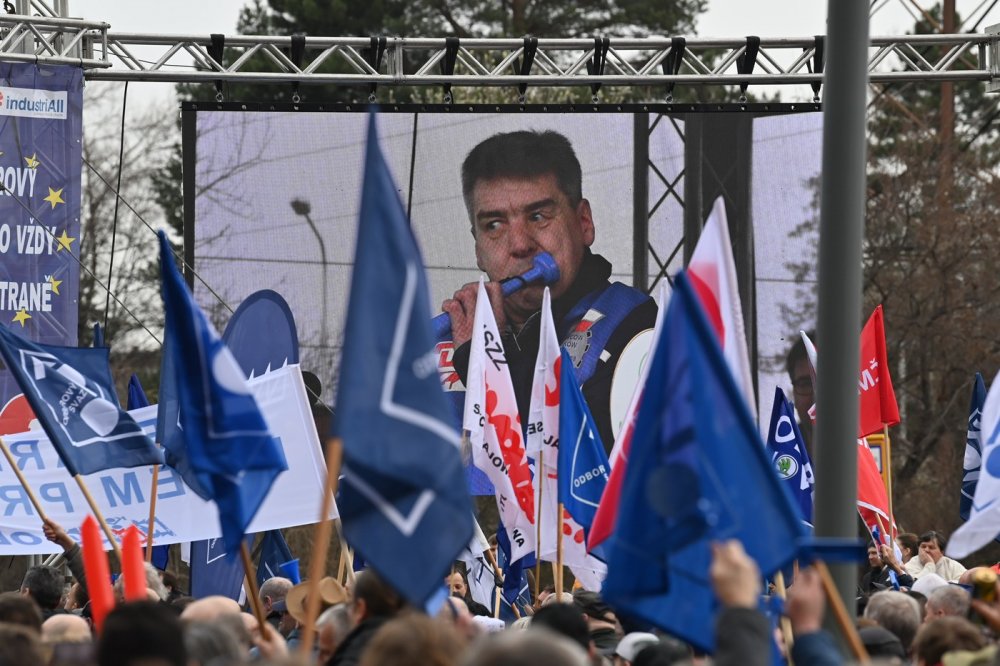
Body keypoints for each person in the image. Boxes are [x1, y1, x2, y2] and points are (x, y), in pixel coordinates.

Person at [443, 130, 657, 452]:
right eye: (495, 226)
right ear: (478, 248)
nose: (519, 245)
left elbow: (575, 465)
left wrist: (491, 359)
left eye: (538, 216)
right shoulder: (447, 341)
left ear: (583, 222)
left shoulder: (638, 326)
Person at [784, 332, 815, 458]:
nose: (816, 397)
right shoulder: (778, 455)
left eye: (826, 383)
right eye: (806, 384)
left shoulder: (877, 450)